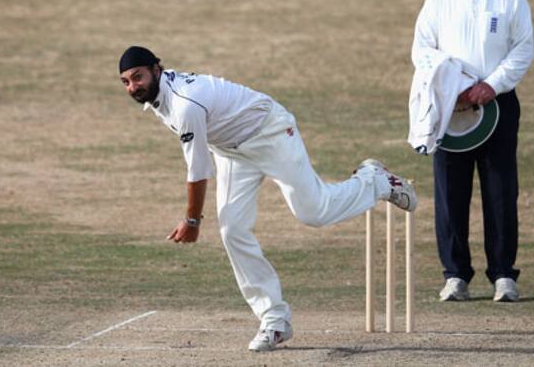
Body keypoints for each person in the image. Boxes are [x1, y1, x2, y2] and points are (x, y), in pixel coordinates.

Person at [117, 46, 417, 351]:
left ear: (156, 69)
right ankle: (275, 320)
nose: (133, 87)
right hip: (231, 151)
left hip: (269, 132)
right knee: (232, 230)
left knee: (314, 212)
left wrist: (192, 221)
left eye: (138, 77)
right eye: (126, 82)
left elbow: (198, 171)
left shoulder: (185, 104)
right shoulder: (160, 96)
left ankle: (376, 181)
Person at [409, 0, 534, 302]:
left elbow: (523, 48)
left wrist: (490, 85)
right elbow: (421, 49)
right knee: (450, 193)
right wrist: (455, 85)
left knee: (500, 192)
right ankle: (455, 275)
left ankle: (503, 275)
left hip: (498, 105)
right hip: (451, 107)